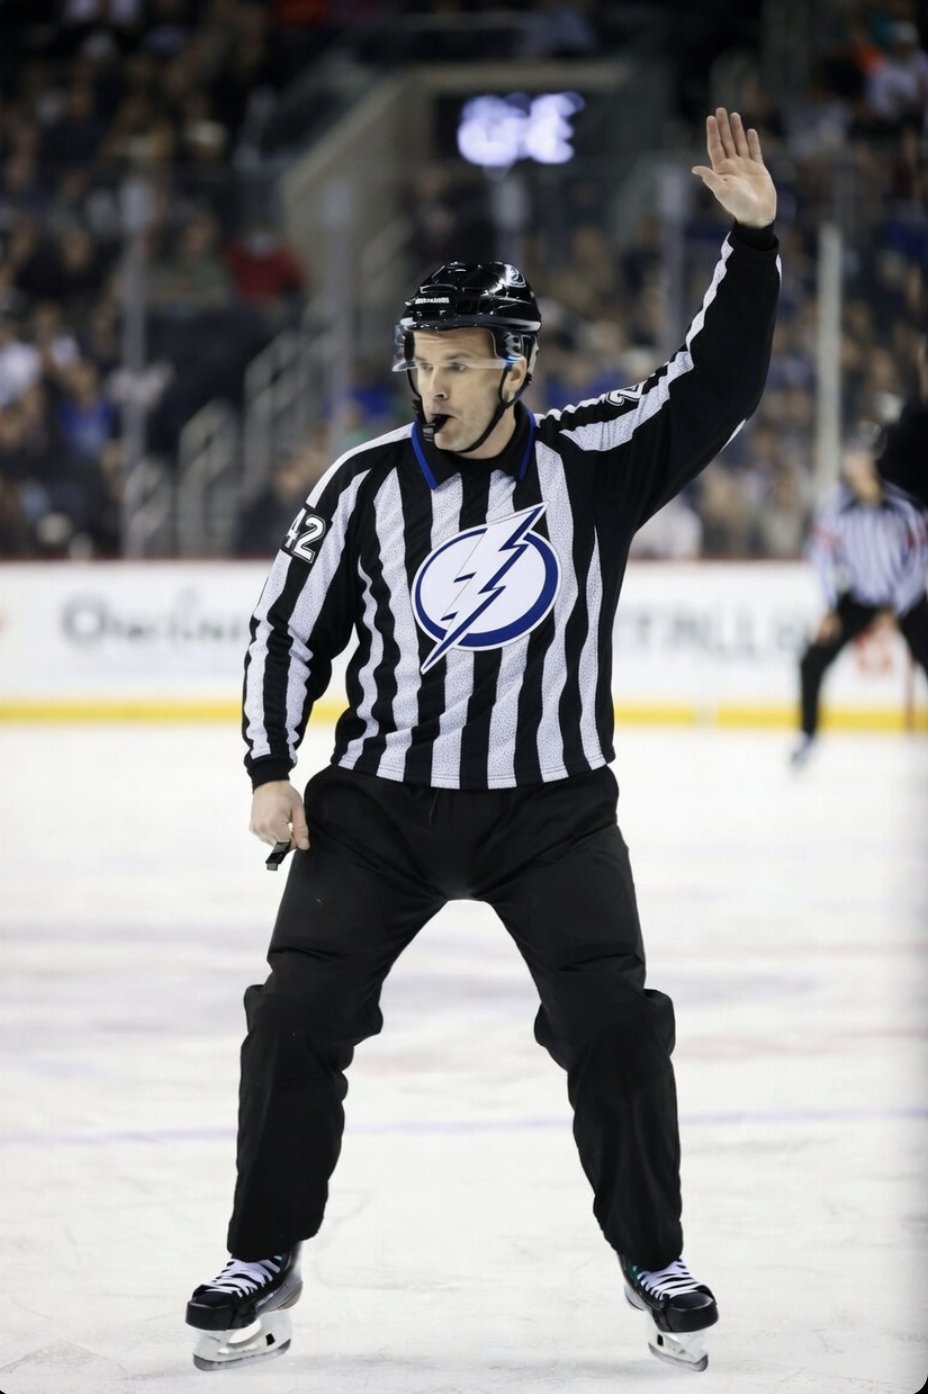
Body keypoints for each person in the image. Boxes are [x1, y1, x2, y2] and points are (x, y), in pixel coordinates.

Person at [185, 109, 780, 1374]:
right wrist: (271, 766)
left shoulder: (594, 459)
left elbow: (712, 386)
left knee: (615, 1027)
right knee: (293, 1017)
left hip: (551, 811)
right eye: (423, 363)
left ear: (516, 366)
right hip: (380, 810)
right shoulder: (362, 484)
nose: (435, 385)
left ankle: (654, 1254)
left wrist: (753, 244)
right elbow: (286, 628)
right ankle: (263, 1250)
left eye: (459, 363)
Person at [791, 382, 928, 767]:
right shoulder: (835, 506)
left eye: (864, 458)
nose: (857, 466)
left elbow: (919, 559)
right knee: (812, 660)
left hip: (906, 599)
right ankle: (807, 736)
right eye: (853, 458)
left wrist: (896, 606)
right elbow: (820, 556)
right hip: (861, 596)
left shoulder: (905, 506)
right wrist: (829, 607)